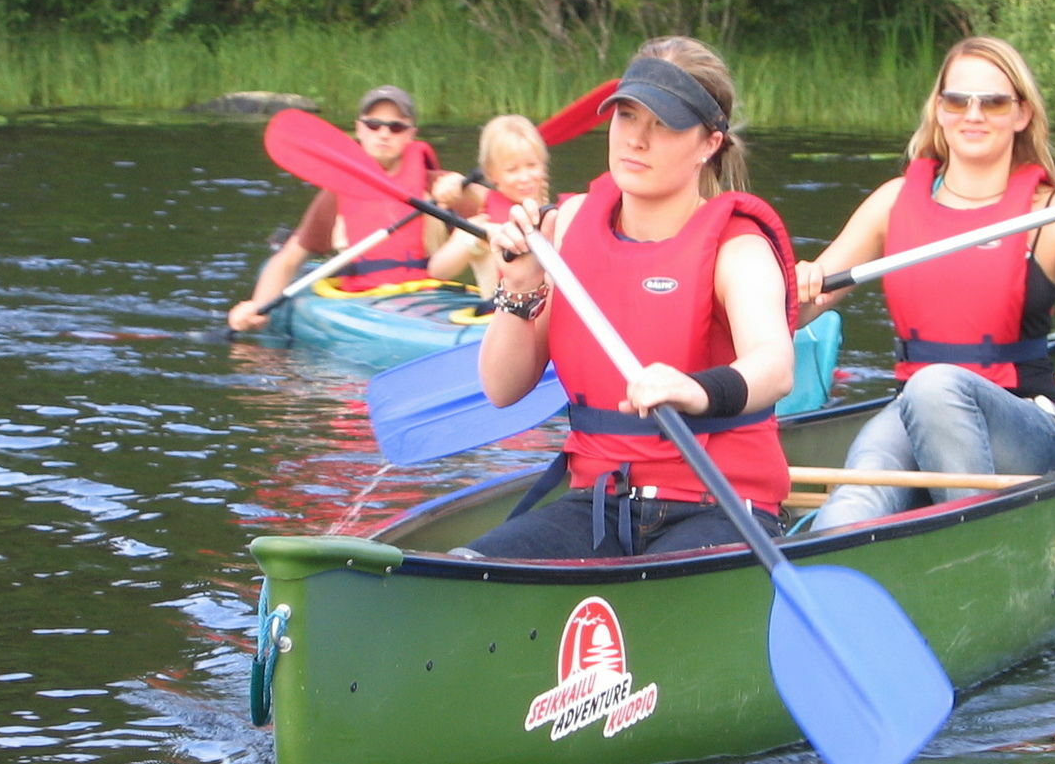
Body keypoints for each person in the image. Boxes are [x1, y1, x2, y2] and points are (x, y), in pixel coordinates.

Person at [458, 37, 796, 560]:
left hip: (719, 503)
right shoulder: (565, 227)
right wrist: (520, 286)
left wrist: (694, 388)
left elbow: (775, 368)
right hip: (599, 503)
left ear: (709, 142)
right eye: (627, 116)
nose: (636, 139)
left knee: (657, 592)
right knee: (469, 571)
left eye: (663, 124)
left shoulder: (739, 247)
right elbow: (501, 389)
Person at [794, 36, 1055, 529]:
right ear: (939, 110)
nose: (973, 114)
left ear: (1021, 113)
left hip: (1025, 425)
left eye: (994, 102)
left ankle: (973, 538)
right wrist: (803, 283)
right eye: (957, 100)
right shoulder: (894, 201)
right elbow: (801, 310)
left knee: (936, 383)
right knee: (852, 503)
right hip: (916, 411)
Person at [226, 85, 452, 333]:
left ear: (411, 134)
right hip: (362, 302)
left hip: (427, 299)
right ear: (359, 130)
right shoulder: (337, 192)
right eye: (373, 125)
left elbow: (494, 205)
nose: (384, 134)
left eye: (396, 127)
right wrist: (257, 306)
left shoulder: (437, 184)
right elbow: (289, 259)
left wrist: (461, 187)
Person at [428, 114, 553, 293]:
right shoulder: (482, 222)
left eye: (532, 165)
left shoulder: (556, 215)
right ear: (492, 174)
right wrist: (477, 237)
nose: (525, 178)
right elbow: (437, 271)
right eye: (512, 170)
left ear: (543, 165)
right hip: (500, 316)